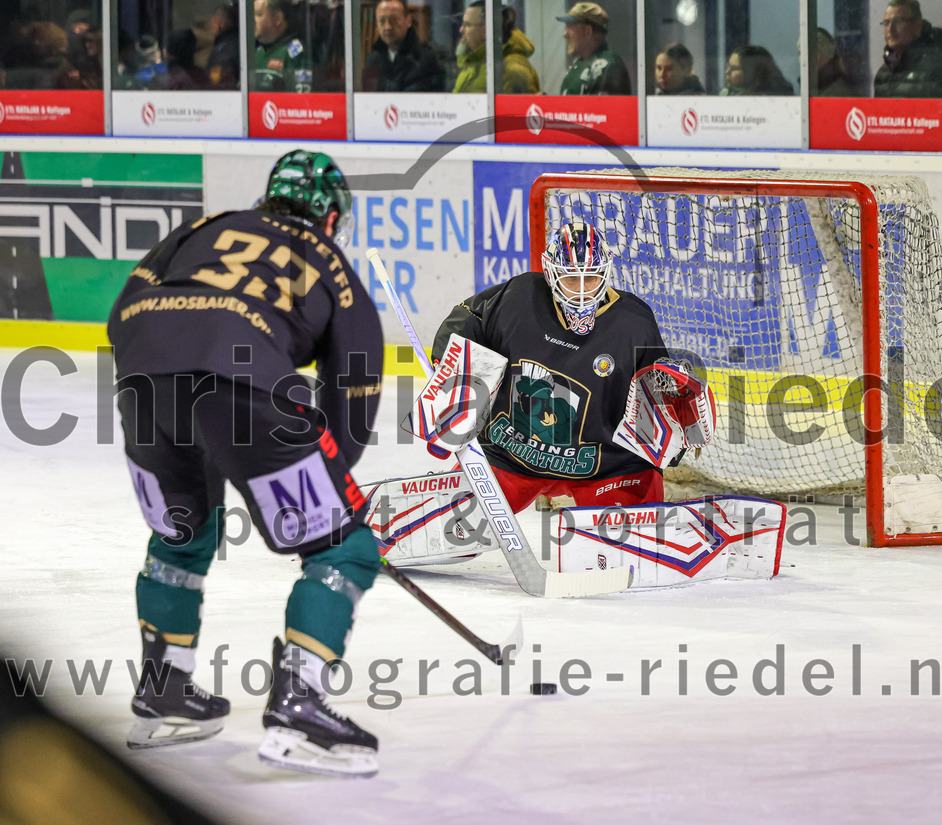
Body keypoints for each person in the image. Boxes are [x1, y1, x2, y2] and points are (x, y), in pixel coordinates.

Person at [107, 150, 385, 778]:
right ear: (331, 215)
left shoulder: (204, 228)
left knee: (182, 529)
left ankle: (164, 689)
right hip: (243, 384)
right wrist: (335, 476)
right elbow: (358, 376)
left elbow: (125, 305)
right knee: (346, 549)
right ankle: (300, 702)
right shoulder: (329, 260)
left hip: (142, 375)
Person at [427, 222, 711, 514]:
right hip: (510, 456)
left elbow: (656, 398)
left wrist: (674, 428)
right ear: (551, 273)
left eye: (591, 278)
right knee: (451, 530)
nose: (582, 291)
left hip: (607, 467)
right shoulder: (519, 297)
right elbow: (470, 319)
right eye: (571, 279)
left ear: (606, 274)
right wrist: (451, 368)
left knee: (635, 551)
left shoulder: (634, 323)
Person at [873, 0, 942, 98]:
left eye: (899, 21)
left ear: (917, 26)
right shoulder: (883, 73)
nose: (890, 29)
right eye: (886, 23)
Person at [362, 0, 446, 92]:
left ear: (408, 21)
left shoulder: (428, 60)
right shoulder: (373, 61)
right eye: (382, 21)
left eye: (394, 20)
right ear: (377, 26)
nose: (387, 27)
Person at [557, 2, 631, 95]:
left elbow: (602, 108)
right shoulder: (577, 64)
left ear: (587, 31)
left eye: (570, 26)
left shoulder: (609, 66)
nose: (565, 34)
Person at [252, 0, 312, 93]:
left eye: (259, 14)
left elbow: (300, 97)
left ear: (277, 18)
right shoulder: (257, 52)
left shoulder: (294, 51)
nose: (253, 20)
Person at [720, 45, 793, 95]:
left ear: (751, 72)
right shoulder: (727, 95)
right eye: (728, 67)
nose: (727, 72)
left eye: (734, 68)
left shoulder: (777, 99)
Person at [452, 0, 486, 93]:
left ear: (485, 30)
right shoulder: (467, 66)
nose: (461, 30)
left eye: (467, 25)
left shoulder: (507, 70)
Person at [206, 2, 240, 88]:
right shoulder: (236, 41)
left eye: (217, 17)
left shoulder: (225, 49)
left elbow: (217, 82)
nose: (212, 21)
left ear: (225, 22)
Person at [815, 27, 856, 96]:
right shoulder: (815, 87)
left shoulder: (838, 92)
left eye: (801, 53)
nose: (800, 60)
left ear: (818, 55)